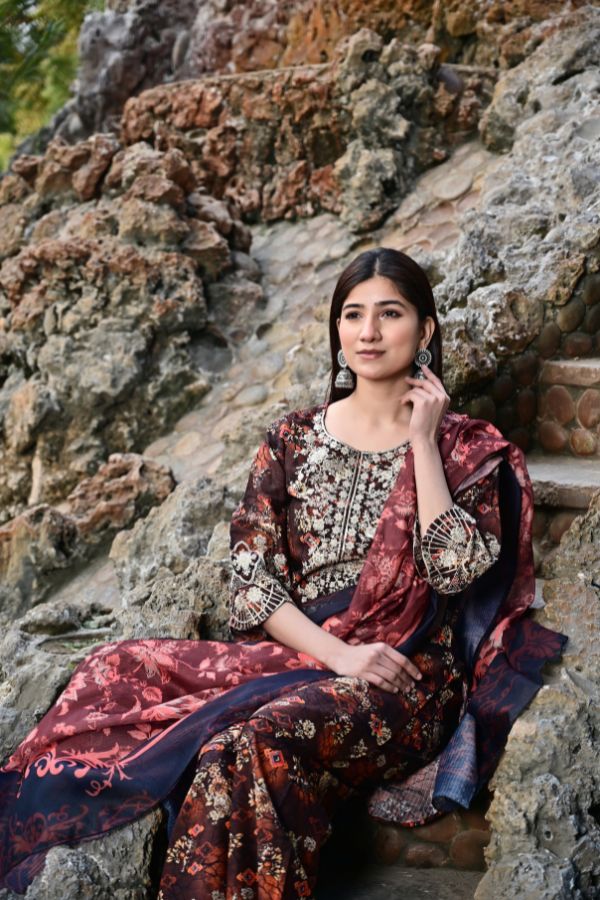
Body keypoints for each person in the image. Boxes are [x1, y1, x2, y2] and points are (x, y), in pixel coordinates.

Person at [0, 247, 567, 899]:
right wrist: (336, 653)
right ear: (336, 330)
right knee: (112, 670)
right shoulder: (290, 440)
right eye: (353, 315)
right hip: (308, 653)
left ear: (427, 330)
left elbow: (455, 569)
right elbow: (252, 579)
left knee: (243, 746)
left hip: (405, 677)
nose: (369, 333)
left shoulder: (467, 447)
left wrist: (422, 442)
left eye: (390, 314)